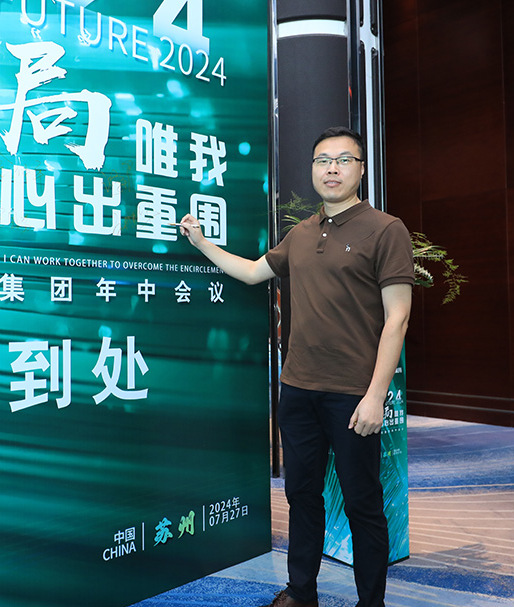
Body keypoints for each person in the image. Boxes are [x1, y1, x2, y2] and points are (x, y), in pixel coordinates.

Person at [177, 126, 414, 607]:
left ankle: (371, 602)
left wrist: (375, 396)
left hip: (354, 395)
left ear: (361, 170)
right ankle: (302, 592)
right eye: (323, 160)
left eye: (344, 160)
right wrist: (201, 243)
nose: (332, 169)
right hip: (299, 391)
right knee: (302, 496)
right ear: (312, 170)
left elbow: (398, 318)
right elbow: (251, 271)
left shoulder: (386, 230)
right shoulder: (301, 234)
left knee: (363, 503)